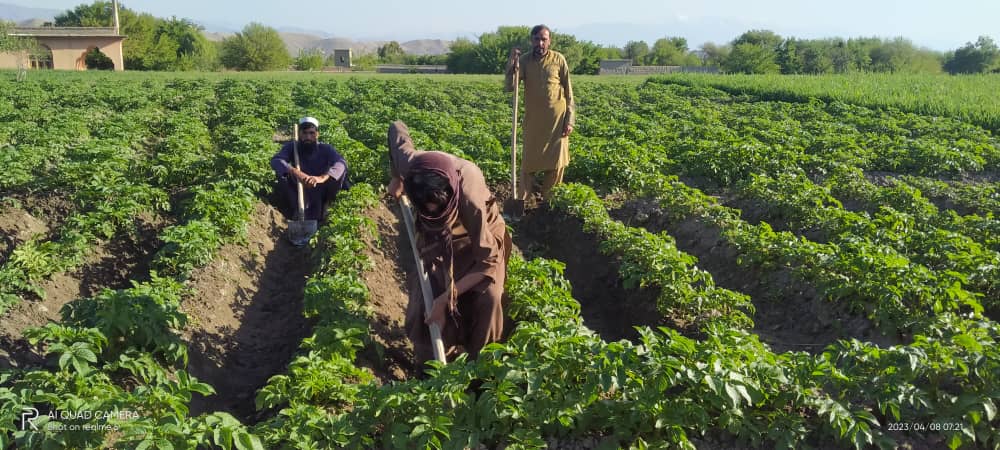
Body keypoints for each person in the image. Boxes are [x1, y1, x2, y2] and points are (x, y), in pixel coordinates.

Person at [386, 120, 512, 370]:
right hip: (437, 236)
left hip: (478, 235)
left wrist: (444, 301)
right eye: (426, 209)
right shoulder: (410, 165)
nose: (432, 211)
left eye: (437, 208)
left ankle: (481, 369)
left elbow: (487, 262)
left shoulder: (470, 197)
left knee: (488, 298)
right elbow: (396, 130)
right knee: (425, 295)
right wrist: (396, 177)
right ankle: (429, 365)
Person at [505, 24, 576, 203]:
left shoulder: (559, 59)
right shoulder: (524, 61)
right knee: (528, 163)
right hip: (534, 122)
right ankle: (522, 200)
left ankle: (549, 202)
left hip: (557, 122)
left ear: (549, 41)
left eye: (544, 39)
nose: (540, 43)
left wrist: (570, 120)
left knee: (556, 163)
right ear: (532, 40)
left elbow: (569, 92)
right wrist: (512, 63)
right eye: (537, 39)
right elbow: (510, 86)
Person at [270, 116, 349, 223]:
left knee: (339, 174)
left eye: (312, 133)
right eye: (304, 133)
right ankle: (296, 209)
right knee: (282, 173)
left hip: (321, 187)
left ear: (317, 134)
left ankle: (327, 205)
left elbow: (341, 163)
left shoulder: (326, 149)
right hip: (300, 187)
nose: (308, 137)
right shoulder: (292, 147)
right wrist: (297, 173)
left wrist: (322, 178)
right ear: (299, 134)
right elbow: (276, 160)